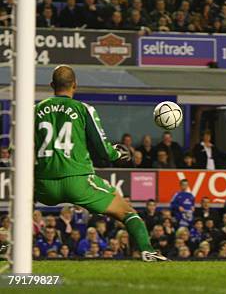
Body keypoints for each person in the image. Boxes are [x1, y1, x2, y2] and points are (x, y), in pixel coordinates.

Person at [34, 65, 166, 261]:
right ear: (75, 85)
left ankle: (5, 247)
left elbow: (15, 149)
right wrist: (118, 155)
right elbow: (104, 150)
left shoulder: (35, 109)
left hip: (43, 184)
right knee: (127, 213)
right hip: (78, 181)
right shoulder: (83, 109)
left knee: (16, 213)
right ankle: (148, 252)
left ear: (52, 85)